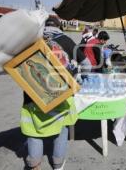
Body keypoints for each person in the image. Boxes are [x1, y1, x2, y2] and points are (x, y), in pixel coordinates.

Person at [21, 16, 91, 170]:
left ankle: (34, 164)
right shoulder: (67, 41)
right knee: (62, 127)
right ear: (60, 27)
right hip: (61, 94)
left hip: (33, 94)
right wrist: (77, 79)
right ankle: (57, 164)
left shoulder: (30, 40)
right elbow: (87, 65)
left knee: (34, 129)